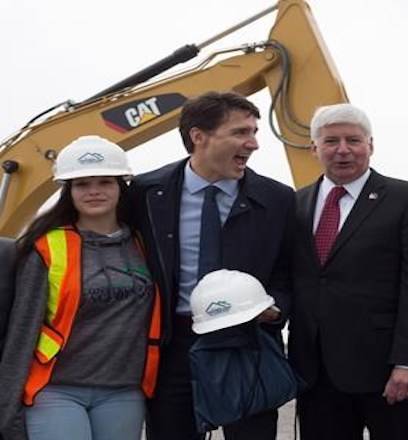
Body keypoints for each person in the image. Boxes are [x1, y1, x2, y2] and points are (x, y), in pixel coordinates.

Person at [128, 91, 295, 440]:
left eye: (254, 132)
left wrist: (277, 309)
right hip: (173, 343)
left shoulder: (277, 199)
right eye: (240, 133)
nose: (253, 144)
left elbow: (289, 271)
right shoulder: (144, 192)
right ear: (198, 136)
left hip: (247, 343)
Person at [289, 103, 408, 440]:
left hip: (389, 371)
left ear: (370, 145)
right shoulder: (295, 205)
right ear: (314, 149)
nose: (343, 150)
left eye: (353, 140)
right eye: (331, 141)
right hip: (317, 375)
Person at [0, 136, 161, 440]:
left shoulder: (144, 244)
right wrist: (7, 399)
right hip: (57, 388)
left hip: (124, 389)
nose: (94, 191)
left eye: (105, 182)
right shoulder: (47, 246)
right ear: (69, 192)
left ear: (120, 188)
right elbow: (23, 327)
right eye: (82, 184)